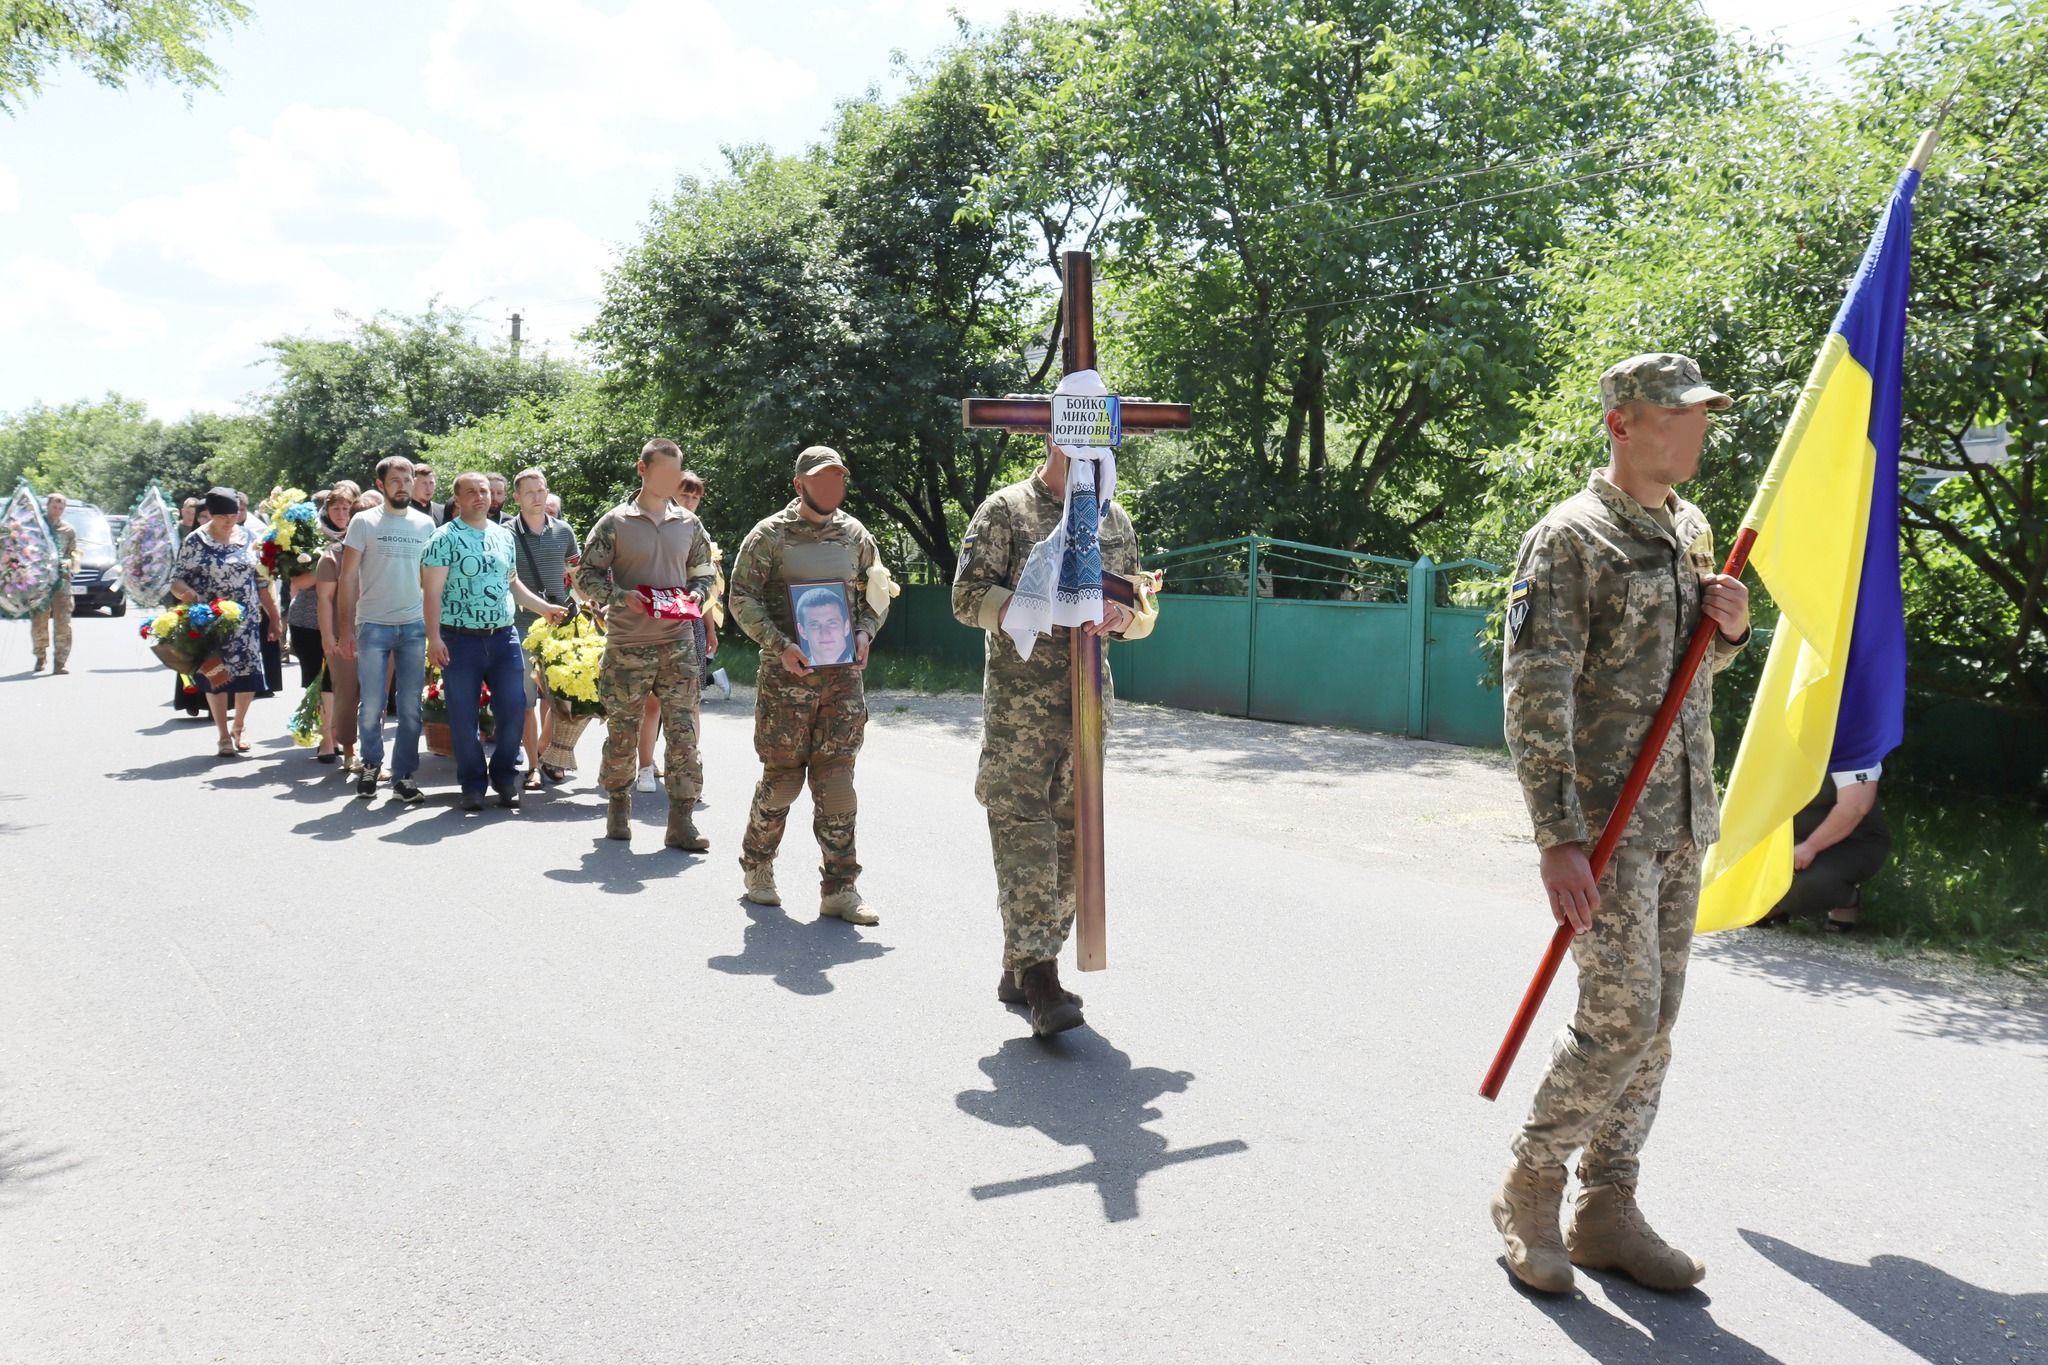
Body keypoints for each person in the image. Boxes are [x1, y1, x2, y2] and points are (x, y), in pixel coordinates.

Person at [1493, 352, 1751, 1296]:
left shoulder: (1690, 530)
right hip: (1604, 825)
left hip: (1681, 813)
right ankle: (1530, 1181)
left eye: (1702, 412)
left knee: (1660, 1023)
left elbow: (1684, 680)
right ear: (1622, 424)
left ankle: (1608, 1201)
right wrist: (1557, 835)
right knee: (1620, 1019)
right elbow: (1535, 694)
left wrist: (1728, 631)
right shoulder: (1569, 537)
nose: (1697, 427)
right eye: (1677, 413)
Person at [951, 432, 1156, 1036]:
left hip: (1087, 710)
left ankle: (1022, 966)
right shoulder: (1007, 509)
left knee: (1073, 846)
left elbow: (1141, 607)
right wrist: (1030, 607)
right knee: (1026, 841)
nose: (1093, 451)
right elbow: (966, 598)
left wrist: (1125, 616)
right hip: (1021, 715)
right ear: (1054, 435)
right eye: (1080, 436)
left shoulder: (1112, 517)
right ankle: (1041, 979)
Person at [728, 446, 892, 922]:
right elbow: (741, 598)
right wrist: (780, 645)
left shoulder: (855, 535)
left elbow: (876, 592)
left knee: (837, 781)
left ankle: (840, 888)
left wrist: (864, 633)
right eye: (821, 479)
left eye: (838, 478)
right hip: (786, 680)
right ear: (799, 485)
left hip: (842, 682)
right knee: (782, 781)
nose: (831, 488)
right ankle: (758, 867)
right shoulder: (769, 536)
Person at [573, 438, 716, 849]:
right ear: (643, 469)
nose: (673, 481)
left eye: (678, 472)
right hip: (628, 644)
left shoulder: (689, 524)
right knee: (622, 731)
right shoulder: (615, 522)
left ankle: (681, 820)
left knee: (684, 733)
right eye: (665, 472)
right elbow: (586, 578)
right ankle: (618, 804)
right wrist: (622, 597)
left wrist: (696, 595)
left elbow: (705, 573)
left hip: (677, 644)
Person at [423, 472, 565, 811]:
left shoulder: (503, 536)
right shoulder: (443, 539)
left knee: (515, 708)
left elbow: (512, 583)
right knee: (462, 716)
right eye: (470, 492)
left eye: (483, 491)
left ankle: (503, 776)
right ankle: (472, 783)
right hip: (459, 640)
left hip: (504, 638)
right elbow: (432, 593)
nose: (479, 497)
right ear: (457, 499)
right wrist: (433, 638)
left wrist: (544, 609)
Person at [336, 456, 437, 804]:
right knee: (372, 703)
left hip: (413, 626)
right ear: (381, 485)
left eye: (407, 479)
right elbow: (347, 578)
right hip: (373, 624)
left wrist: (436, 630)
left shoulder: (426, 525)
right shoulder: (363, 522)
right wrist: (345, 629)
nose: (403, 485)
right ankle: (370, 764)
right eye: (395, 480)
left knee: (410, 706)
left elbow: (433, 581)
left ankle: (404, 775)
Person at [170, 487, 283, 755]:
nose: (230, 521)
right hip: (211, 619)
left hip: (246, 621)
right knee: (216, 677)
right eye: (224, 517)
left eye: (234, 515)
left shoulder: (249, 536)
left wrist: (275, 617)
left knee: (248, 676)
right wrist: (188, 594)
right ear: (210, 514)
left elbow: (262, 580)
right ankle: (222, 733)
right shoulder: (196, 541)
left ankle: (240, 726)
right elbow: (177, 580)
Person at [507, 466, 580, 786]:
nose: (538, 497)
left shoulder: (564, 531)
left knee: (562, 698)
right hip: (521, 628)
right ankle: (534, 767)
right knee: (526, 702)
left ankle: (546, 751)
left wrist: (597, 603)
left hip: (560, 628)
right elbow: (510, 582)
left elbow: (579, 576)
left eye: (542, 490)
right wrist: (541, 608)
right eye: (530, 492)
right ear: (517, 497)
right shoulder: (505, 533)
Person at [1766, 766, 1890, 930]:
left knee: (1805, 886)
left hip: (1853, 843)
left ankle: (1846, 900)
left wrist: (1810, 847)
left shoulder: (1855, 747)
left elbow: (1856, 807)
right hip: (1794, 838)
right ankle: (1773, 902)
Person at [285, 485, 356, 761]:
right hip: (308, 620)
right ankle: (326, 737)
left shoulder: (360, 536)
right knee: (318, 678)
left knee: (340, 681)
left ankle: (337, 733)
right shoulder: (307, 536)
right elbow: (298, 581)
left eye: (346, 508)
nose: (341, 513)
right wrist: (330, 564)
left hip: (345, 620)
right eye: (336, 508)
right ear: (326, 511)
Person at [316, 485, 373, 773]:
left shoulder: (385, 553)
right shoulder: (334, 555)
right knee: (347, 695)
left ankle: (373, 755)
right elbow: (324, 599)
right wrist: (329, 636)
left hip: (380, 632)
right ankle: (349, 749)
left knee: (374, 698)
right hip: (345, 638)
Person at [676, 469, 734, 701]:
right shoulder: (656, 526)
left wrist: (710, 629)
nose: (690, 502)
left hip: (693, 618)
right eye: (684, 495)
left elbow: (706, 589)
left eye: (695, 498)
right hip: (661, 616)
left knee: (692, 696)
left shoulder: (702, 533)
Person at [30, 493, 78, 674]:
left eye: (61, 508)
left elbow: (75, 554)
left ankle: (60, 661)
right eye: (54, 507)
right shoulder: (37, 527)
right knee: (39, 621)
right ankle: (40, 656)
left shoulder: (68, 530)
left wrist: (69, 562)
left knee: (63, 622)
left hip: (62, 583)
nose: (57, 511)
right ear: (47, 506)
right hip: (40, 583)